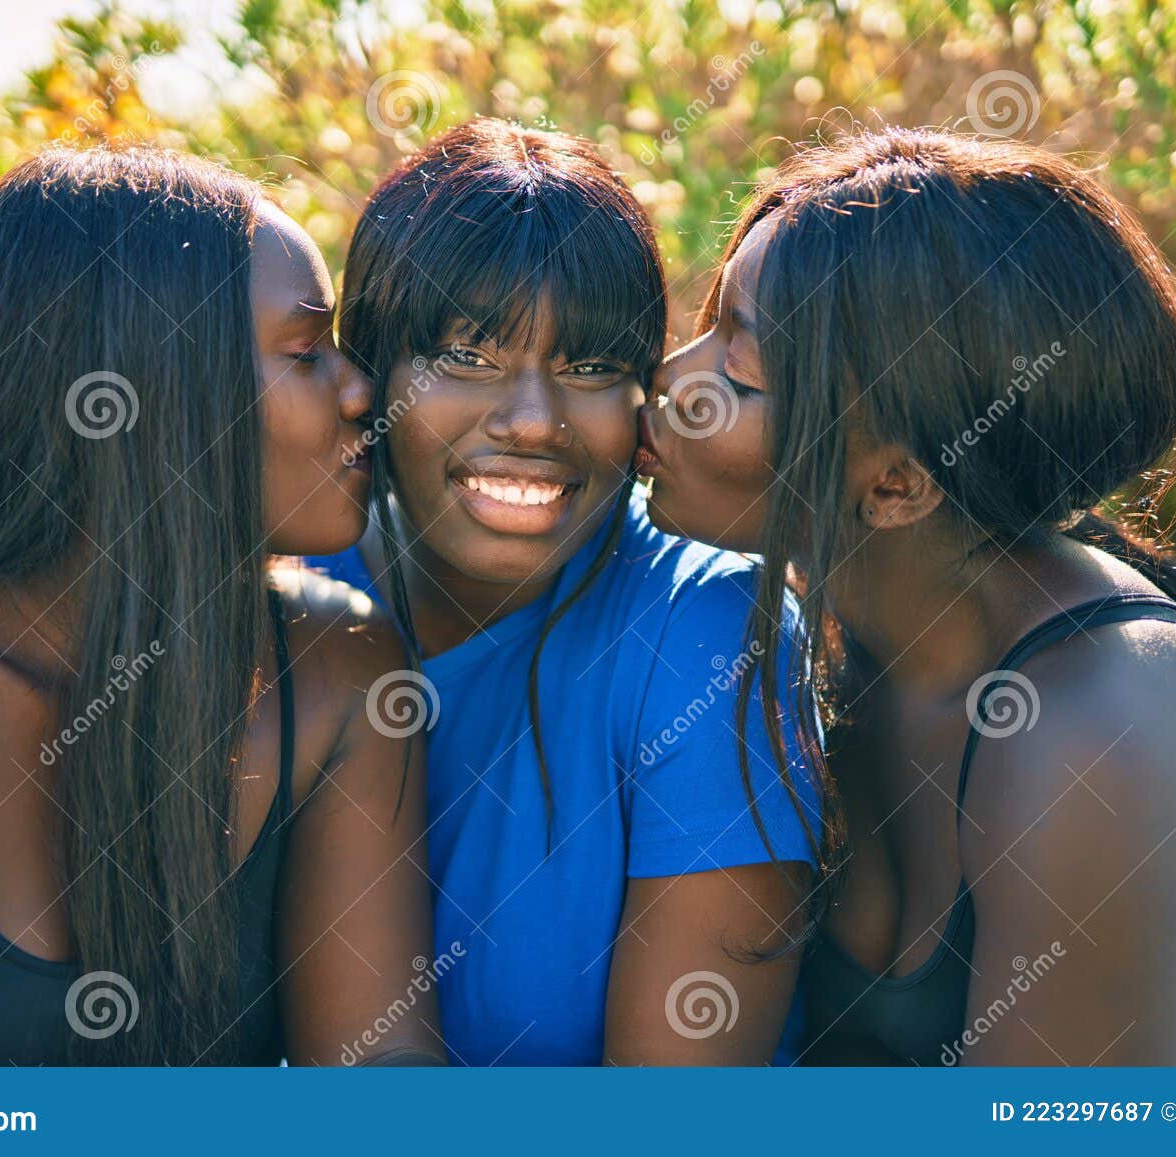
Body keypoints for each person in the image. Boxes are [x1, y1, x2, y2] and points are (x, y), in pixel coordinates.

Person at [638, 127, 1176, 1065]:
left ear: (897, 484)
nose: (667, 379)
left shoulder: (1101, 733)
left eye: (733, 371)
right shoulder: (821, 629)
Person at [0, 146, 441, 1066]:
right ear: (151, 391)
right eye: (309, 352)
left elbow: (381, 1080)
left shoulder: (339, 665)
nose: (362, 389)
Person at [308, 118, 828, 1066]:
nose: (535, 422)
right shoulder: (285, 599)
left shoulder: (704, 629)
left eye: (591, 367)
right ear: (366, 371)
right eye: (466, 357)